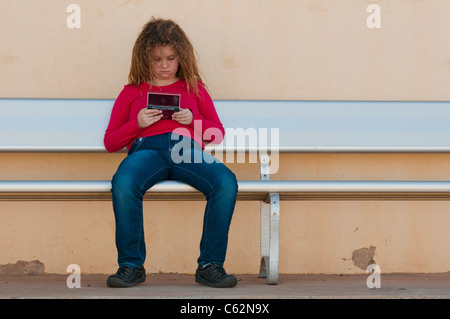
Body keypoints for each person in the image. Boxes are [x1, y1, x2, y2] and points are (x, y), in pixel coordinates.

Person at [103, 18, 238, 288]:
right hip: (147, 151)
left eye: (170, 58)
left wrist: (193, 121)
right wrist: (137, 124)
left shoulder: (194, 88)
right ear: (145, 59)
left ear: (181, 57)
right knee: (123, 182)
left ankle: (210, 265)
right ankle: (131, 265)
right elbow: (110, 142)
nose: (164, 65)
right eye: (156, 59)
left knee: (225, 182)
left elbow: (218, 134)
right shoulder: (132, 91)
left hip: (185, 149)